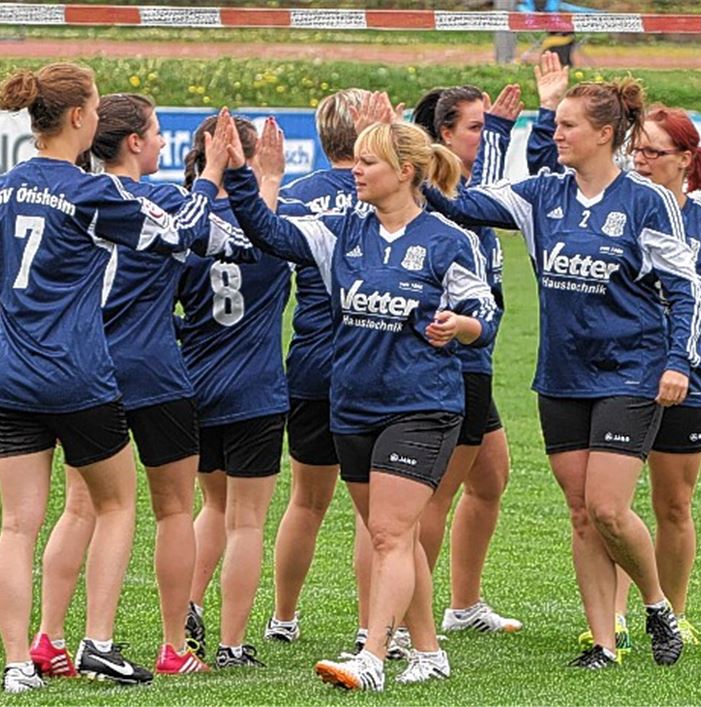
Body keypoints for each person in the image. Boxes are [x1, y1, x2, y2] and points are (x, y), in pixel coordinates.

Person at [0, 64, 251, 693]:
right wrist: (216, 174)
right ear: (81, 118)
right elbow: (186, 233)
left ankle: (21, 661)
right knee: (119, 506)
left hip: (9, 377)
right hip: (82, 376)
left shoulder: (1, 188)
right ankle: (102, 643)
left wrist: (22, 319)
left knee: (19, 523)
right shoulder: (92, 193)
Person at [424, 75, 701, 670]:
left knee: (607, 506)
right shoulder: (541, 195)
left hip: (631, 372)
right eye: (556, 125)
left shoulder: (645, 201)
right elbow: (460, 203)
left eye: (568, 125)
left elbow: (685, 291)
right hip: (561, 377)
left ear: (604, 134)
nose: (556, 133)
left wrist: (679, 360)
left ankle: (656, 607)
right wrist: (413, 157)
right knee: (580, 512)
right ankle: (604, 642)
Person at [217, 113, 499, 691]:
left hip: (421, 405)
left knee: (392, 534)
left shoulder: (449, 239)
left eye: (369, 162)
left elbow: (485, 314)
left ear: (406, 172)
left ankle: (372, 654)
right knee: (388, 533)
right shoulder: (343, 231)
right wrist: (244, 177)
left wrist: (461, 326)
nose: (356, 171)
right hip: (353, 404)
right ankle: (428, 651)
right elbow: (271, 236)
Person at [27, 93, 255, 681]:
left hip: (87, 368)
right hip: (152, 370)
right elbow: (220, 243)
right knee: (175, 509)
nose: (160, 144)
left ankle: (49, 636)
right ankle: (174, 645)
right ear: (133, 143)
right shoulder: (165, 200)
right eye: (155, 134)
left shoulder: (78, 199)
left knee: (80, 508)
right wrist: (215, 173)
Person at [570, 105, 701, 654]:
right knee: (609, 505)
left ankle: (675, 610)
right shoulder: (622, 206)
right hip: (622, 376)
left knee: (673, 505)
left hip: (685, 377)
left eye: (653, 153)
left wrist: (673, 277)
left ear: (685, 160)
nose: (641, 162)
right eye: (636, 152)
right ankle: (616, 617)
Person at [264, 88, 375, 654]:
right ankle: (369, 625)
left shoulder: (296, 196)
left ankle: (283, 617)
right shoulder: (383, 192)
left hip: (309, 362)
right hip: (369, 366)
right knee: (375, 508)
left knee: (306, 500)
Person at [178, 111, 291, 669]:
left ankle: (190, 605)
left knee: (212, 504)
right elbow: (265, 236)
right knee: (246, 520)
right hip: (255, 390)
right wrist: (268, 180)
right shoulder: (271, 228)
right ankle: (232, 643)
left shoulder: (188, 228)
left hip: (196, 384)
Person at [411, 84, 523, 634]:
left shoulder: (469, 188)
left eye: (485, 126)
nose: (483, 134)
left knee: (491, 476)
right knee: (438, 492)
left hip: (477, 358)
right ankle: (409, 620)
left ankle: (463, 605)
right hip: (457, 358)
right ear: (445, 136)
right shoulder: (436, 194)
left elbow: (495, 188)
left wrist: (501, 131)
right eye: (475, 126)